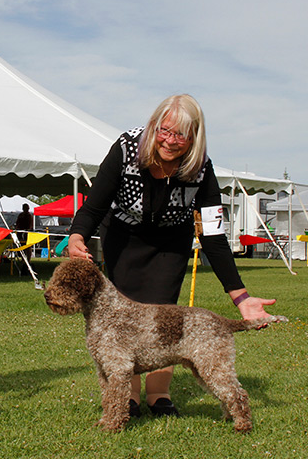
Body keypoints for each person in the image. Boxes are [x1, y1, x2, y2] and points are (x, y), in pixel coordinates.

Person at [67, 94, 277, 418]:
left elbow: (213, 234)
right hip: (123, 236)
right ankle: (128, 398)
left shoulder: (201, 166)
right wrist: (77, 235)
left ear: (194, 137)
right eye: (164, 130)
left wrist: (241, 297)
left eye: (180, 135)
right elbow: (95, 204)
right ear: (154, 126)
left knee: (163, 315)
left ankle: (159, 394)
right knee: (124, 318)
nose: (170, 140)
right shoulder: (126, 148)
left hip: (170, 241)